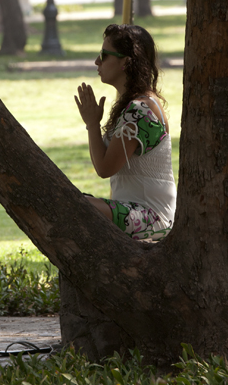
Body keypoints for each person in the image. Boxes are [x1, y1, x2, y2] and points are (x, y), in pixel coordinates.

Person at [74, 23, 176, 240]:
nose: (97, 61)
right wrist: (91, 123)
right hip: (138, 212)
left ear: (126, 62)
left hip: (152, 217)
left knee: (74, 205)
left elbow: (104, 168)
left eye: (104, 54)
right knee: (71, 201)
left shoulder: (140, 110)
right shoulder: (136, 105)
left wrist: (93, 124)